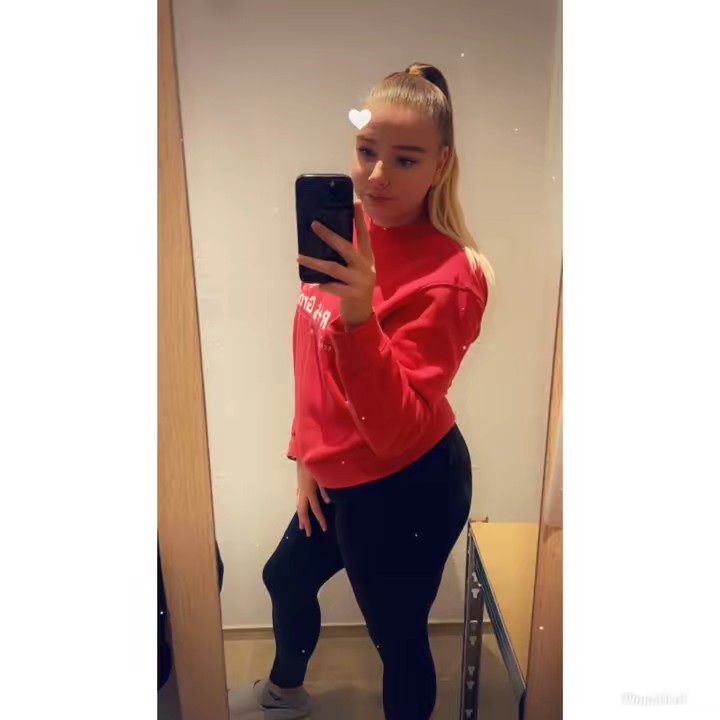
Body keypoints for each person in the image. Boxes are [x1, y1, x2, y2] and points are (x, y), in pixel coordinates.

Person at [231, 62, 493, 720]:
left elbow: (395, 427)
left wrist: (359, 317)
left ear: (440, 164)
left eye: (405, 159)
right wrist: (306, 455)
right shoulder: (345, 233)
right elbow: (309, 353)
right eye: (366, 150)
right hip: (340, 470)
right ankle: (285, 694)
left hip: (409, 485)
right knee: (285, 577)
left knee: (395, 638)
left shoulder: (451, 277)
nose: (376, 175)